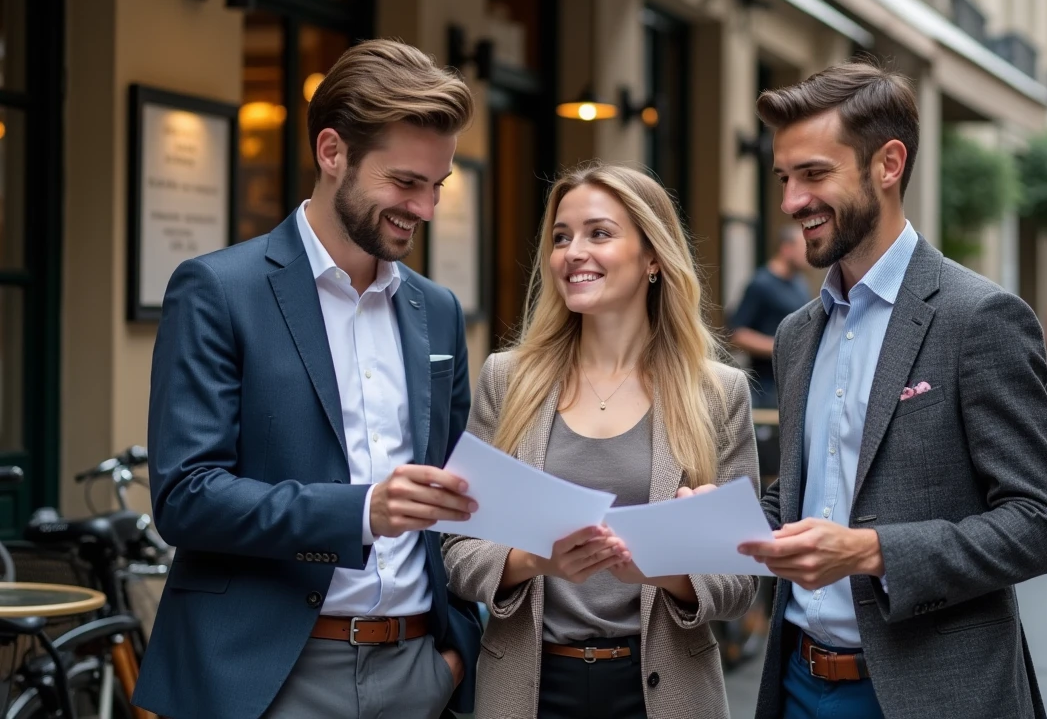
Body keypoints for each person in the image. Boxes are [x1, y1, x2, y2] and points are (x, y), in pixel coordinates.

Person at [134, 40, 483, 719]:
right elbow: (185, 495)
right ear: (332, 153)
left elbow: (456, 490)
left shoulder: (437, 311)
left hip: (420, 672)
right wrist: (359, 511)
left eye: (437, 186)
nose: (427, 209)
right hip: (272, 678)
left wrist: (454, 655)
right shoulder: (217, 290)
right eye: (406, 182)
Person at [727, 61, 1047, 719]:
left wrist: (874, 552)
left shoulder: (980, 319)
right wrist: (714, 525)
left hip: (928, 695)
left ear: (889, 164)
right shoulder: (800, 333)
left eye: (814, 174)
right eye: (785, 178)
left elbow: (1039, 524)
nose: (791, 201)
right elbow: (801, 497)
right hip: (796, 684)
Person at [442, 163, 760, 719]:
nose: (573, 252)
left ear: (653, 257)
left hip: (664, 694)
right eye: (561, 237)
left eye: (600, 233)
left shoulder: (717, 393)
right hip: (530, 689)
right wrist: (538, 559)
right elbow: (459, 553)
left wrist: (657, 565)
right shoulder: (507, 378)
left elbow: (740, 582)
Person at [729, 226, 812, 408]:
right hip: (766, 388)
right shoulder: (761, 284)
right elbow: (737, 335)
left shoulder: (800, 283)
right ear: (786, 248)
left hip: (796, 383)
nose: (809, 252)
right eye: (803, 247)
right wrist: (780, 346)